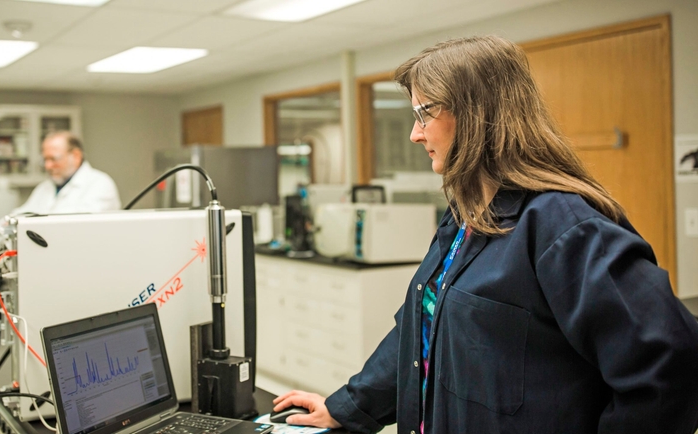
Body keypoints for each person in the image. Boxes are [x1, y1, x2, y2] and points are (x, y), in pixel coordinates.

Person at [271, 36, 698, 433]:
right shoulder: (466, 215)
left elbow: (669, 367)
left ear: (476, 114)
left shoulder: (563, 225)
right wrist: (346, 406)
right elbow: (420, 329)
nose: (415, 133)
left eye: (425, 113)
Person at [0, 131, 120, 248]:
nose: (47, 166)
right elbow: (19, 218)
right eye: (45, 160)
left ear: (75, 156)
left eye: (53, 159)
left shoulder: (100, 184)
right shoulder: (45, 188)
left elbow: (69, 230)